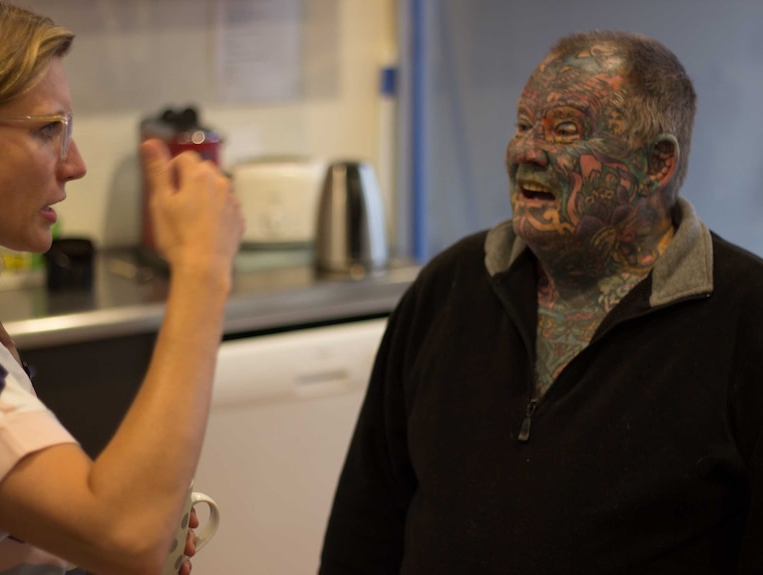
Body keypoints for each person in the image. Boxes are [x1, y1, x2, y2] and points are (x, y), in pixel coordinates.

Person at [319, 29, 763, 574]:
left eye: (565, 130)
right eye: (524, 124)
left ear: (657, 164)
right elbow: (365, 528)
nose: (526, 150)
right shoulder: (451, 285)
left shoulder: (748, 316)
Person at [0, 1, 243, 574]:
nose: (75, 163)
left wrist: (132, 519)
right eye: (46, 130)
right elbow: (123, 535)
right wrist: (203, 271)